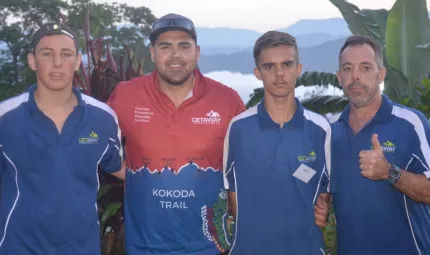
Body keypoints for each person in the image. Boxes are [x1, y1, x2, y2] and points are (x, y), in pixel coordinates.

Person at [107, 13, 245, 255]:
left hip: (209, 247)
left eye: (184, 46)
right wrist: (140, 176)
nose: (175, 55)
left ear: (197, 52)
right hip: (144, 247)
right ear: (152, 53)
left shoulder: (227, 99)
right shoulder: (126, 95)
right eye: (165, 46)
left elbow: (245, 166)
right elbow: (97, 147)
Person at [0, 23, 123, 255]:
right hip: (17, 247)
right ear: (32, 60)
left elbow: (119, 167)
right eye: (47, 54)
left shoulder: (104, 118)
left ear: (78, 61)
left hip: (82, 248)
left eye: (66, 54)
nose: (57, 63)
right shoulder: (4, 118)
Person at [315, 35, 430, 254]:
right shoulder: (330, 132)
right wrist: (319, 205)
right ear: (339, 77)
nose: (355, 77)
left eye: (365, 67)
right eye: (348, 69)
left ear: (381, 74)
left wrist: (389, 172)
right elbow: (326, 191)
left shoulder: (410, 123)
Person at [223, 30, 331, 255]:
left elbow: (324, 190)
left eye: (287, 64)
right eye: (269, 66)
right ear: (257, 72)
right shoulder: (238, 128)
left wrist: (321, 208)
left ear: (298, 69)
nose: (279, 73)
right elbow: (231, 192)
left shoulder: (321, 129)